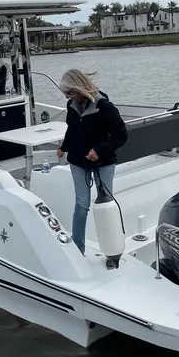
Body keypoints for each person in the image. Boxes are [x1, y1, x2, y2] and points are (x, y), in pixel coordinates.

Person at [56, 69, 127, 255]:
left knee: (106, 203)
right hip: (78, 162)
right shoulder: (71, 106)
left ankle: (114, 252)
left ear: (79, 89)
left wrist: (99, 150)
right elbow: (71, 130)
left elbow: (121, 135)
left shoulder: (104, 107)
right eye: (65, 94)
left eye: (69, 93)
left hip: (103, 162)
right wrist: (63, 147)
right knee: (81, 204)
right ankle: (78, 249)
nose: (67, 97)